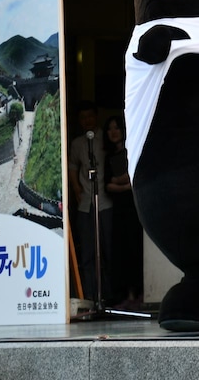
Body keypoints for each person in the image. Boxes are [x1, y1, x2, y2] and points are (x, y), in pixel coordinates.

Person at [67, 100, 113, 303]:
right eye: (83, 118)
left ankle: (110, 296)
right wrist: (77, 190)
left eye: (90, 116)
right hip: (85, 203)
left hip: (106, 201)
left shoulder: (106, 137)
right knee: (87, 252)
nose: (87, 121)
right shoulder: (77, 143)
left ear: (96, 116)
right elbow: (72, 167)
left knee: (109, 251)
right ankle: (90, 296)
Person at [103, 115, 144, 309]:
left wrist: (118, 181)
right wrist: (122, 182)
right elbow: (107, 186)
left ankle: (137, 293)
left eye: (116, 128)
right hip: (118, 209)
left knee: (134, 248)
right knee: (120, 251)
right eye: (110, 128)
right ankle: (124, 294)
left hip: (133, 208)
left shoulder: (131, 150)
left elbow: (131, 181)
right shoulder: (107, 155)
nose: (113, 132)